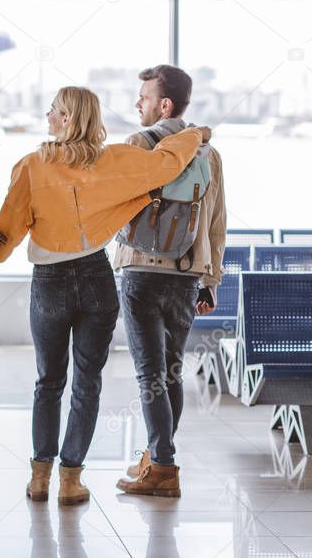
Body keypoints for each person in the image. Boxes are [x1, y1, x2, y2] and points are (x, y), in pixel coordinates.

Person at [0, 86, 210, 505]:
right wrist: (195, 134)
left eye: (54, 110)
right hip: (96, 278)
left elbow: (7, 234)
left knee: (48, 381)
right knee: (86, 382)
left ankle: (40, 477)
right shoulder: (114, 161)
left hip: (49, 281)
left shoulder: (31, 166)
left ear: (68, 119)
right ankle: (71, 481)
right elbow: (166, 164)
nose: (47, 115)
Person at [114, 65, 227, 498]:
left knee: (149, 375)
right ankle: (157, 456)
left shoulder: (137, 145)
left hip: (140, 271)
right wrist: (209, 279)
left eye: (143, 96)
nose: (137, 103)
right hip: (184, 275)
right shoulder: (208, 153)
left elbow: (117, 206)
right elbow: (216, 223)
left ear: (164, 104)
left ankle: (162, 466)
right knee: (171, 373)